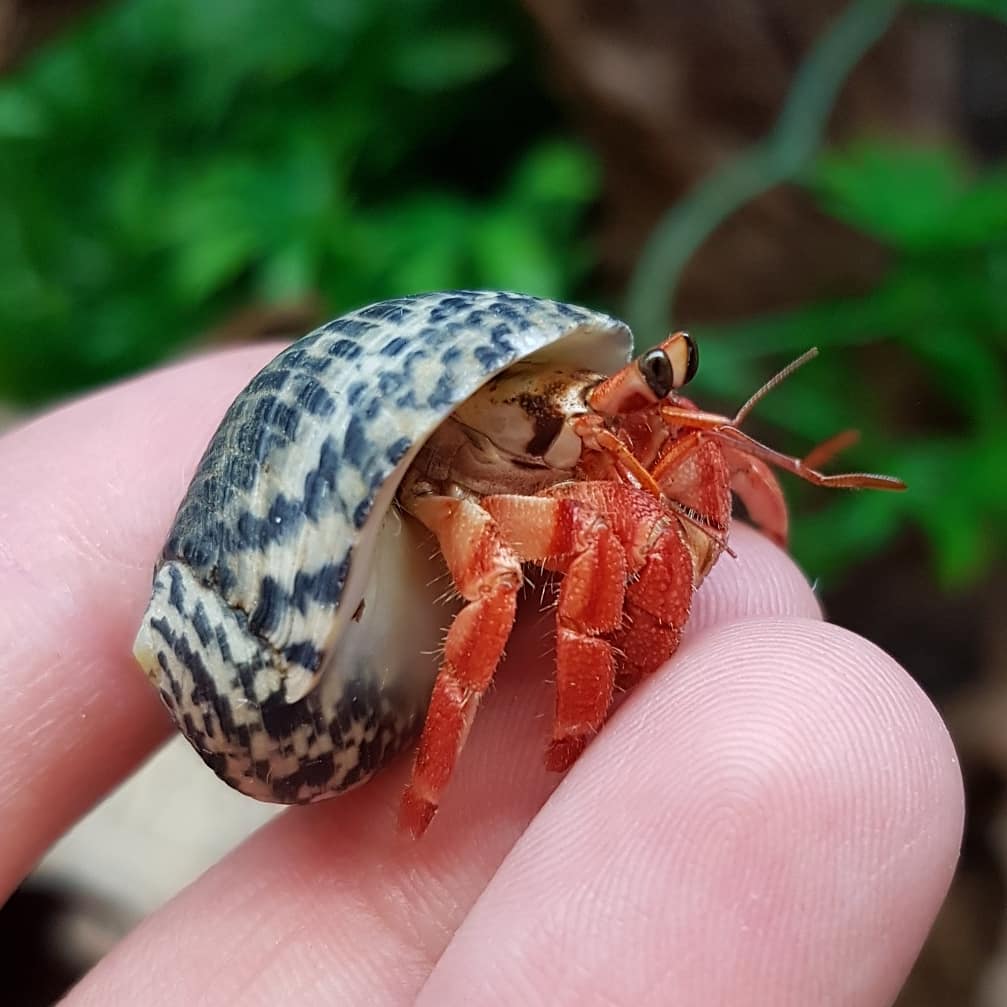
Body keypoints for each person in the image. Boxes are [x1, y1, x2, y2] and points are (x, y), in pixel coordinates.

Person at [0, 344, 963, 1004]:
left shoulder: (584, 425)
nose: (615, 418)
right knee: (512, 574)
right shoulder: (495, 478)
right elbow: (506, 564)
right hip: (307, 603)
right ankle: (516, 758)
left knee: (668, 461)